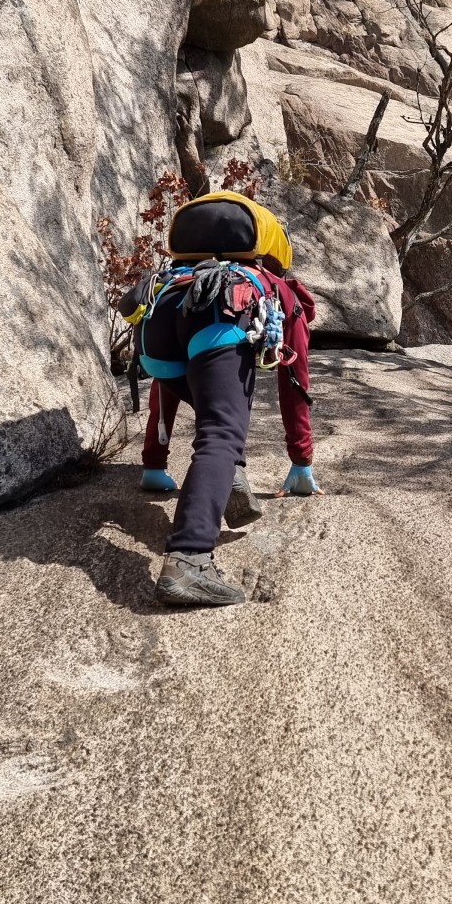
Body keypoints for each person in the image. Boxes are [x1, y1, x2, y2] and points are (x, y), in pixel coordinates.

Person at [121, 191, 322, 608]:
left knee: (219, 408)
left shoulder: (179, 277)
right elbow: (295, 379)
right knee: (221, 433)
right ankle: (190, 559)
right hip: (221, 315)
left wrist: (154, 465)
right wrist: (301, 462)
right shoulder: (272, 286)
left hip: (157, 335)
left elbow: (165, 390)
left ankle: (230, 479)